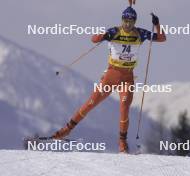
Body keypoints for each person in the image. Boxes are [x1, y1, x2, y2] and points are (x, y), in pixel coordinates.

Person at [52, 7, 166, 153]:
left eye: (130, 22)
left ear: (134, 22)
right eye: (125, 21)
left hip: (127, 77)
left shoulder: (140, 33)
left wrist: (157, 24)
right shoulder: (114, 32)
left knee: (124, 106)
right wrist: (102, 35)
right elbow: (93, 39)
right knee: (91, 103)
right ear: (122, 20)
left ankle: (122, 143)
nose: (127, 25)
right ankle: (66, 129)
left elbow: (162, 38)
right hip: (111, 75)